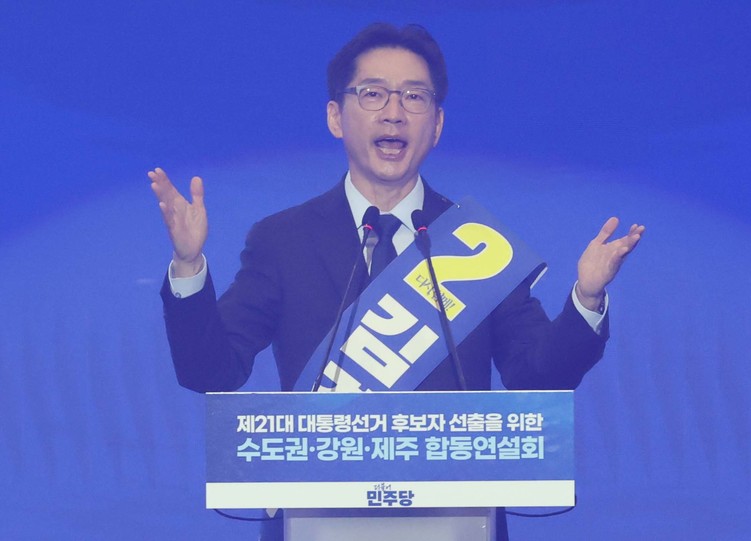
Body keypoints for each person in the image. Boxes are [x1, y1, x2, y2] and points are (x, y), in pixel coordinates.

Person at [149, 22, 644, 539]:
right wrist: (188, 265)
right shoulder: (283, 240)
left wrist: (587, 298)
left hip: (458, 523)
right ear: (335, 116)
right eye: (373, 93)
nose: (394, 112)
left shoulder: (477, 245)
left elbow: (537, 377)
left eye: (414, 96)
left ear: (437, 124)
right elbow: (211, 371)